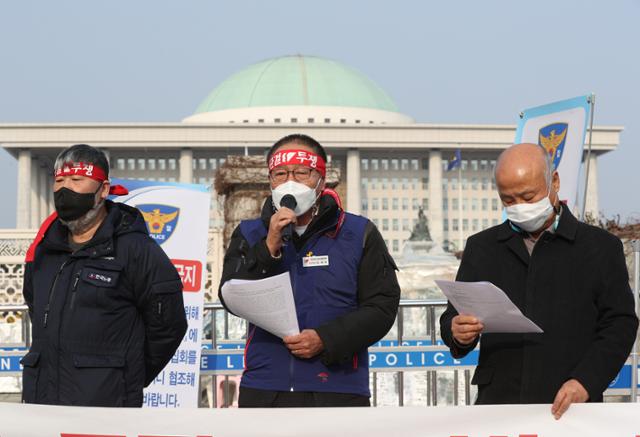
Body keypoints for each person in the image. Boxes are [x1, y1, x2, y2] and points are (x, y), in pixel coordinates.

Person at [440, 143, 638, 419]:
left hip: (570, 404)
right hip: (499, 403)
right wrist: (456, 331)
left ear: (554, 182)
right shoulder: (482, 247)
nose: (519, 207)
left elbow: (620, 323)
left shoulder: (599, 247)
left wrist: (586, 381)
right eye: (508, 200)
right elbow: (454, 314)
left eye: (528, 196)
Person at [218, 133, 400, 407]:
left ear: (320, 181)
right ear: (270, 181)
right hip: (266, 387)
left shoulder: (358, 232)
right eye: (280, 173)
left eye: (301, 172)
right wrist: (268, 248)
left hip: (339, 386)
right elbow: (231, 294)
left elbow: (381, 306)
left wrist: (326, 339)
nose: (290, 181)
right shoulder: (249, 233)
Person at [21, 144, 188, 407]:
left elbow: (169, 325)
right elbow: (36, 309)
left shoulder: (135, 249)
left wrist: (123, 374)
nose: (65, 189)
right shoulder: (43, 250)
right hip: (42, 403)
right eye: (60, 180)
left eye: (77, 180)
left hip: (105, 403)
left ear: (104, 189)